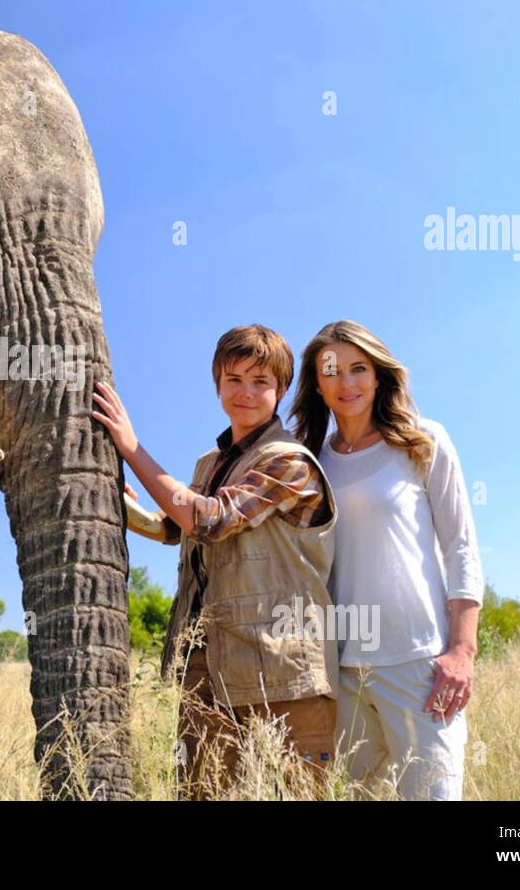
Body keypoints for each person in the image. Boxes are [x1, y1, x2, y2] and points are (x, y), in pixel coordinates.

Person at [92, 324, 338, 799]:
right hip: (206, 667)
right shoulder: (212, 462)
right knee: (200, 792)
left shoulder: (290, 460)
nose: (246, 393)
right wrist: (125, 506)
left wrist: (131, 446)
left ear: (282, 389)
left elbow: (210, 518)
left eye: (261, 382)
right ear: (216, 384)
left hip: (282, 674)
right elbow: (174, 525)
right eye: (234, 380)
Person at [291, 319, 484, 801]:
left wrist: (462, 651)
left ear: (379, 375)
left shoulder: (422, 440)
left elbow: (461, 545)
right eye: (332, 371)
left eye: (359, 368)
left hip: (419, 665)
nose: (347, 382)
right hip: (340, 672)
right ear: (317, 383)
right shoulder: (309, 461)